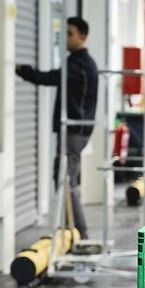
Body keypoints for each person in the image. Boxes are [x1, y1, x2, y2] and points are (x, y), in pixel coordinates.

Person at [17, 16, 99, 237]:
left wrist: (22, 70)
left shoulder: (79, 64)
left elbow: (50, 78)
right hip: (76, 130)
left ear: (83, 36)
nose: (66, 38)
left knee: (65, 179)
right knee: (65, 178)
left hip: (74, 130)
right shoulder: (81, 62)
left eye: (70, 34)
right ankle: (70, 227)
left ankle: (79, 231)